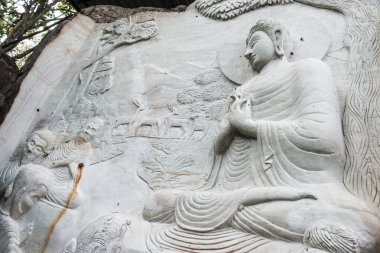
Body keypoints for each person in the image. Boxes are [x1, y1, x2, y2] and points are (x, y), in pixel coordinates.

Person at [143, 19, 379, 253]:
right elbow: (218, 152)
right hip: (232, 197)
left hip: (298, 192)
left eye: (253, 42)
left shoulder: (308, 70)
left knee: (362, 230)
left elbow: (324, 138)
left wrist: (249, 126)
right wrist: (228, 130)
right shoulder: (240, 92)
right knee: (156, 203)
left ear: (276, 38)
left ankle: (216, 226)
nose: (246, 53)